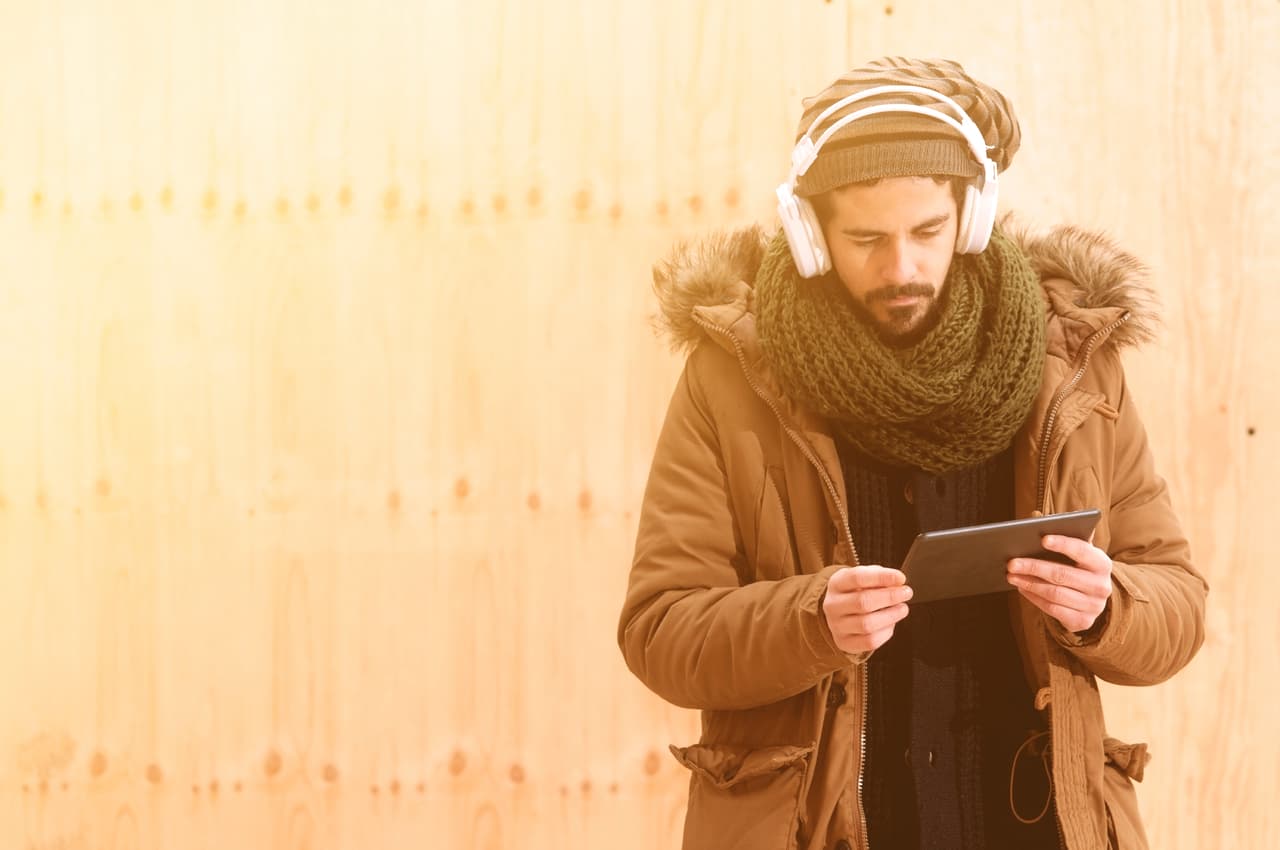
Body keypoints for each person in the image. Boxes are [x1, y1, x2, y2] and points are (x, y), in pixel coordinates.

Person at [616, 57, 1207, 850]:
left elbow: (1178, 600)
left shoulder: (1072, 364)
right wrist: (808, 620)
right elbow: (661, 632)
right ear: (812, 235)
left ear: (971, 217)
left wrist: (1108, 605)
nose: (901, 268)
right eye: (865, 239)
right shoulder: (732, 378)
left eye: (928, 232)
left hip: (1033, 826)